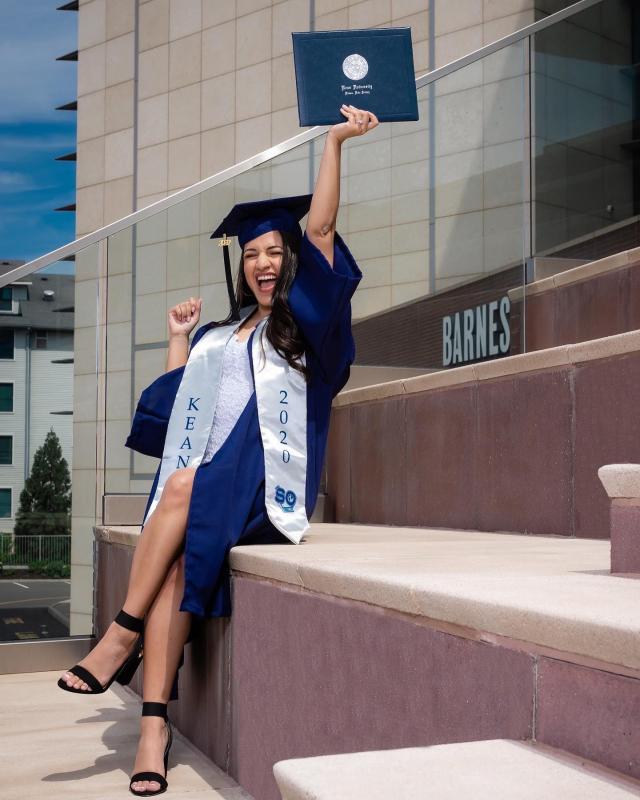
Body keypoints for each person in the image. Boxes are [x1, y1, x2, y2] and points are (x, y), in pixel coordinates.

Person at [56, 104, 379, 796]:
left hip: (260, 484)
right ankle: (153, 730)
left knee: (181, 494)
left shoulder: (305, 336)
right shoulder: (219, 336)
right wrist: (179, 337)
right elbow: (175, 418)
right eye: (254, 253)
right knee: (177, 551)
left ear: (292, 262)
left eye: (275, 252)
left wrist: (334, 147)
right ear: (243, 266)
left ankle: (120, 634)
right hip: (200, 484)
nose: (264, 262)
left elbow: (321, 226)